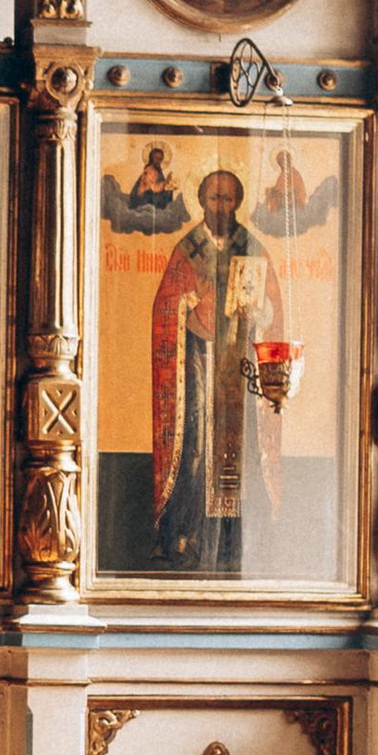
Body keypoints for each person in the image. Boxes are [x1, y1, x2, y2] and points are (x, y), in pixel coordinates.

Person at [150, 166, 285, 572]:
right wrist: (191, 301)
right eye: (214, 198)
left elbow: (273, 309)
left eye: (228, 199)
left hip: (240, 369)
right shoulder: (188, 248)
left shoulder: (252, 247)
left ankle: (238, 544)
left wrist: (259, 311)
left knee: (242, 449)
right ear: (202, 202)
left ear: (238, 202)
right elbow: (165, 306)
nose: (221, 206)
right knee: (194, 445)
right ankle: (188, 539)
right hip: (199, 364)